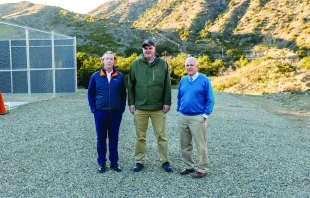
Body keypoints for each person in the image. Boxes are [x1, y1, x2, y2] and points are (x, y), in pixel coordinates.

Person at [128, 39, 173, 172]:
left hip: (158, 107)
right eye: (145, 48)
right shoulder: (136, 64)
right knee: (140, 136)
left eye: (150, 48)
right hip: (140, 107)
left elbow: (167, 85)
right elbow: (130, 85)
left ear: (154, 49)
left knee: (161, 136)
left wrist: (167, 102)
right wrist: (131, 103)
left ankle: (165, 161)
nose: (148, 50)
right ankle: (139, 161)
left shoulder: (162, 64)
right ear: (142, 50)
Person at [88, 51, 127, 173]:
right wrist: (94, 109)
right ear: (102, 61)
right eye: (106, 59)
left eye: (111, 59)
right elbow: (90, 93)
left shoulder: (119, 76)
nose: (109, 61)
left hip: (115, 114)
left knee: (114, 138)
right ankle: (101, 162)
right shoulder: (95, 76)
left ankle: (114, 163)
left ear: (114, 61)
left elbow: (123, 94)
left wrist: (121, 109)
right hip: (100, 113)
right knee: (101, 138)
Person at [176, 57, 214, 178]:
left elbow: (210, 99)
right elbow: (179, 97)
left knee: (200, 144)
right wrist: (178, 111)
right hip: (183, 116)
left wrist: (205, 115)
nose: (189, 67)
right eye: (187, 65)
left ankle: (202, 168)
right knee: (185, 144)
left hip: (197, 117)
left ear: (197, 66)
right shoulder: (183, 80)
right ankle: (188, 166)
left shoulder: (204, 80)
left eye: (192, 65)